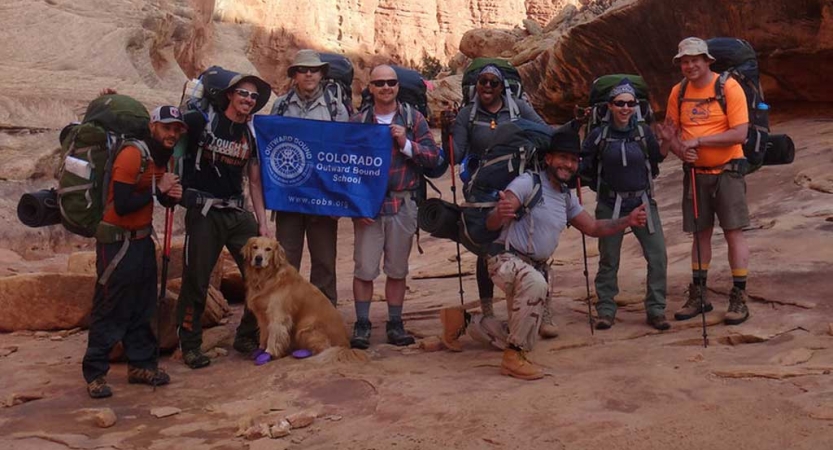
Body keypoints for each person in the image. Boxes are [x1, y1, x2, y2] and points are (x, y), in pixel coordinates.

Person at [441, 126, 647, 380]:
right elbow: (493, 224)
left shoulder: (565, 197)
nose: (568, 164)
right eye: (563, 157)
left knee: (520, 329)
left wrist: (628, 220)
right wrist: (499, 214)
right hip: (504, 259)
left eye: (573, 160)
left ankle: (463, 322)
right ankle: (513, 358)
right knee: (535, 286)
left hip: (533, 267)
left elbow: (592, 227)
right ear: (548, 159)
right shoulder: (528, 182)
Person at [83, 105, 186, 398]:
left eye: (177, 129)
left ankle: (141, 365)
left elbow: (156, 200)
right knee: (110, 305)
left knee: (143, 304)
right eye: (167, 127)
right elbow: (124, 202)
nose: (172, 134)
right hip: (117, 241)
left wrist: (169, 196)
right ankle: (95, 373)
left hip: (141, 240)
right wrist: (158, 188)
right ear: (153, 126)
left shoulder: (160, 159)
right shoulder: (132, 154)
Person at [450, 65, 559, 339]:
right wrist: (449, 131)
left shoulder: (518, 107)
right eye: (482, 82)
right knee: (484, 246)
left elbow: (544, 133)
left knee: (531, 244)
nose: (487, 87)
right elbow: (455, 155)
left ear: (502, 87)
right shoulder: (467, 114)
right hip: (482, 191)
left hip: (520, 188)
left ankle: (540, 308)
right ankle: (488, 310)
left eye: (493, 83)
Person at [176, 71, 272, 369]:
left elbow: (254, 182)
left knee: (262, 276)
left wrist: (263, 222)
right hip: (204, 211)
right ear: (229, 95)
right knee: (197, 279)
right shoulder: (203, 122)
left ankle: (247, 335)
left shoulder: (251, 134)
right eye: (243, 93)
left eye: (254, 97)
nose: (248, 100)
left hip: (235, 211)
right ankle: (190, 345)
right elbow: (167, 136)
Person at [657, 37, 751, 326]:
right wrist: (679, 147)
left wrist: (699, 139)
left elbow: (740, 133)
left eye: (695, 59)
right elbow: (672, 134)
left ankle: (739, 295)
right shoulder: (678, 92)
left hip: (728, 170)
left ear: (707, 60)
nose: (689, 65)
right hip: (696, 173)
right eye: (684, 61)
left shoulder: (728, 87)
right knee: (700, 234)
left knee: (733, 231)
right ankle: (699, 294)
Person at [349, 64, 441, 349]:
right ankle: (362, 323)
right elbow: (346, 169)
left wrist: (405, 143)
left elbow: (433, 158)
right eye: (379, 83)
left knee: (397, 268)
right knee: (364, 268)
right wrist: (357, 206)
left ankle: (395, 322)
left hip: (403, 202)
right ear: (371, 88)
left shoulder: (413, 119)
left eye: (391, 83)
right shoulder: (358, 122)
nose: (386, 88)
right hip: (370, 207)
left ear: (398, 86)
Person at [580, 79, 670, 330]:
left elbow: (656, 160)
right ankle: (606, 309)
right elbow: (583, 164)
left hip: (641, 202)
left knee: (658, 256)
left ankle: (656, 309)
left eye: (630, 103)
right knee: (609, 258)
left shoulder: (643, 132)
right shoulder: (599, 135)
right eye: (620, 103)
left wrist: (666, 142)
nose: (625, 108)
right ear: (610, 106)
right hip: (610, 203)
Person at [269, 49, 349, 307]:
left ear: (321, 73)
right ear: (294, 75)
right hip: (288, 198)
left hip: (322, 199)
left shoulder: (335, 107)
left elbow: (344, 154)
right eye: (302, 70)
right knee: (285, 261)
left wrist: (339, 198)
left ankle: (323, 322)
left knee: (324, 262)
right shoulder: (280, 105)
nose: (308, 74)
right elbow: (271, 149)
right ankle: (283, 319)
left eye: (313, 69)